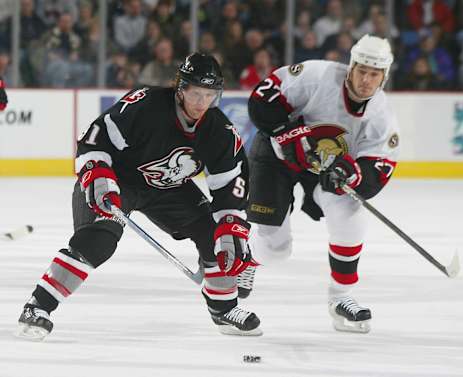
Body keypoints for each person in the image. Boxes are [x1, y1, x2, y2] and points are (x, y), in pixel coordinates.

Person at [16, 53, 262, 340]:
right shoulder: (146, 105)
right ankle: (37, 306)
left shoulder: (219, 130)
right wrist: (97, 172)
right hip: (118, 180)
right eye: (196, 93)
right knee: (97, 241)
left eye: (209, 95)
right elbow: (96, 137)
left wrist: (230, 223)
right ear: (180, 88)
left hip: (168, 187)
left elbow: (230, 185)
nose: (201, 102)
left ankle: (223, 309)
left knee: (216, 234)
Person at [239, 35, 399, 333]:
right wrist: (287, 133)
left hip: (324, 169)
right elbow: (262, 100)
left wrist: (353, 175)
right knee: (276, 248)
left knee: (351, 213)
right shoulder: (317, 76)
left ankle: (341, 297)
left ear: (383, 77)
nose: (366, 79)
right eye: (362, 70)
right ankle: (248, 260)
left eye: (374, 74)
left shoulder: (381, 115)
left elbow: (379, 168)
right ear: (351, 66)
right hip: (276, 159)